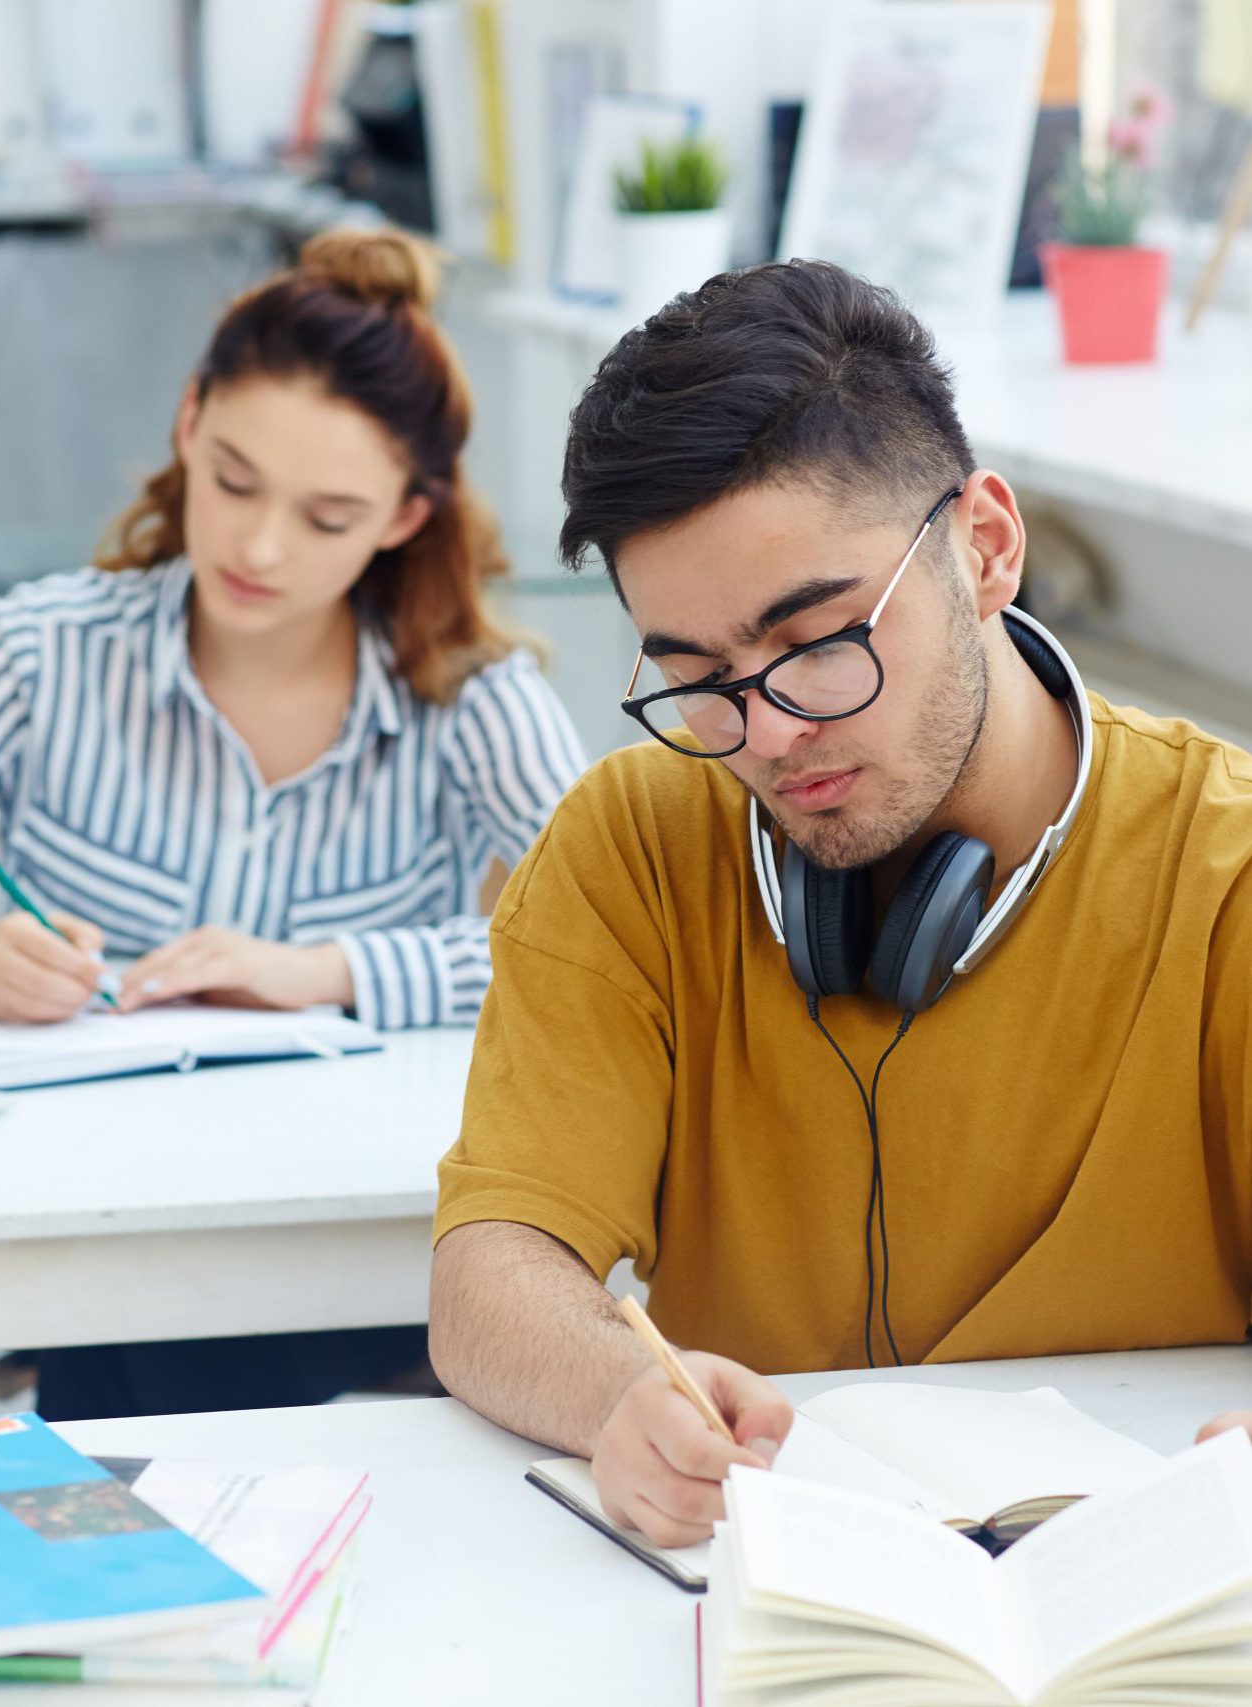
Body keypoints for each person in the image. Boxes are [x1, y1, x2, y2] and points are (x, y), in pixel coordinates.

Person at [428, 258, 1252, 1550]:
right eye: (695, 673)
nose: (763, 732)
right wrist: (621, 1392)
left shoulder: (1229, 871)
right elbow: (489, 1272)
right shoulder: (624, 845)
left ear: (982, 546)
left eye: (815, 640)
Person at [0, 226, 585, 1417]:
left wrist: (327, 973)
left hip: (351, 1230)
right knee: (149, 1364)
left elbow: (612, 947)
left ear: (404, 516)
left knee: (147, 1376)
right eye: (234, 481)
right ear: (188, 424)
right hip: (94, 1217)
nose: (259, 545)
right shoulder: (41, 652)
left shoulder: (469, 690)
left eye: (329, 516)